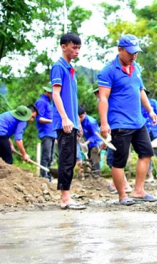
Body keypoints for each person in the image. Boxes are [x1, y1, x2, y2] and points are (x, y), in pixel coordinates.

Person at [98, 34, 157, 206]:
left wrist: (150, 110)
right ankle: (122, 196)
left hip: (138, 121)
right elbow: (103, 98)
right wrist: (104, 123)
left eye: (136, 53)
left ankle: (139, 190)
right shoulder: (108, 71)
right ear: (120, 50)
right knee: (119, 161)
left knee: (146, 153)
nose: (133, 56)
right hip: (120, 123)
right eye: (130, 52)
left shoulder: (136, 68)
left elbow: (140, 91)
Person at [50, 33, 86, 210]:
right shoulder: (59, 67)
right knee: (65, 160)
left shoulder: (71, 70)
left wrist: (77, 124)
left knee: (71, 160)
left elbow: (73, 100)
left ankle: (67, 196)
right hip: (63, 122)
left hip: (72, 123)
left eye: (79, 47)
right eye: (74, 47)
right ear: (64, 47)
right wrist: (64, 117)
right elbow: (56, 94)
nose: (77, 51)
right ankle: (64, 199)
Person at [35, 86, 57, 181]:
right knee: (46, 156)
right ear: (48, 92)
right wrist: (52, 121)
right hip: (46, 133)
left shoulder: (49, 103)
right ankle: (44, 176)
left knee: (51, 157)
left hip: (52, 133)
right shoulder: (41, 102)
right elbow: (39, 118)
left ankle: (48, 176)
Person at [78, 105, 103, 177]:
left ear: (85, 113)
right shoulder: (79, 122)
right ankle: (89, 177)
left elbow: (96, 135)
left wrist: (86, 142)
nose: (79, 119)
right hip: (88, 143)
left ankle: (96, 176)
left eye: (81, 117)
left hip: (96, 142)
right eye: (78, 117)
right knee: (88, 159)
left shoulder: (91, 122)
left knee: (94, 158)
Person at [142, 89, 157, 183]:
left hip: (155, 130)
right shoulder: (137, 104)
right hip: (144, 131)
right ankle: (150, 175)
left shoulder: (153, 102)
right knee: (146, 153)